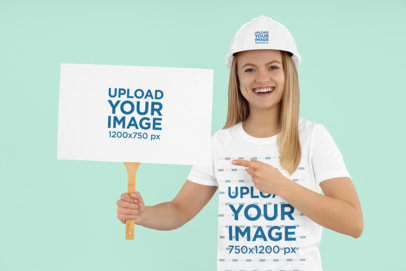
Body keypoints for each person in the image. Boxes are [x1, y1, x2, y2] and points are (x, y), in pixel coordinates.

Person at [116, 15, 363, 270]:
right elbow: (180, 209)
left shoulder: (313, 138)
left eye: (273, 67)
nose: (262, 78)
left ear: (288, 72)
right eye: (249, 69)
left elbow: (353, 222)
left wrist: (282, 187)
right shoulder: (221, 143)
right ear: (237, 78)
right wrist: (143, 214)